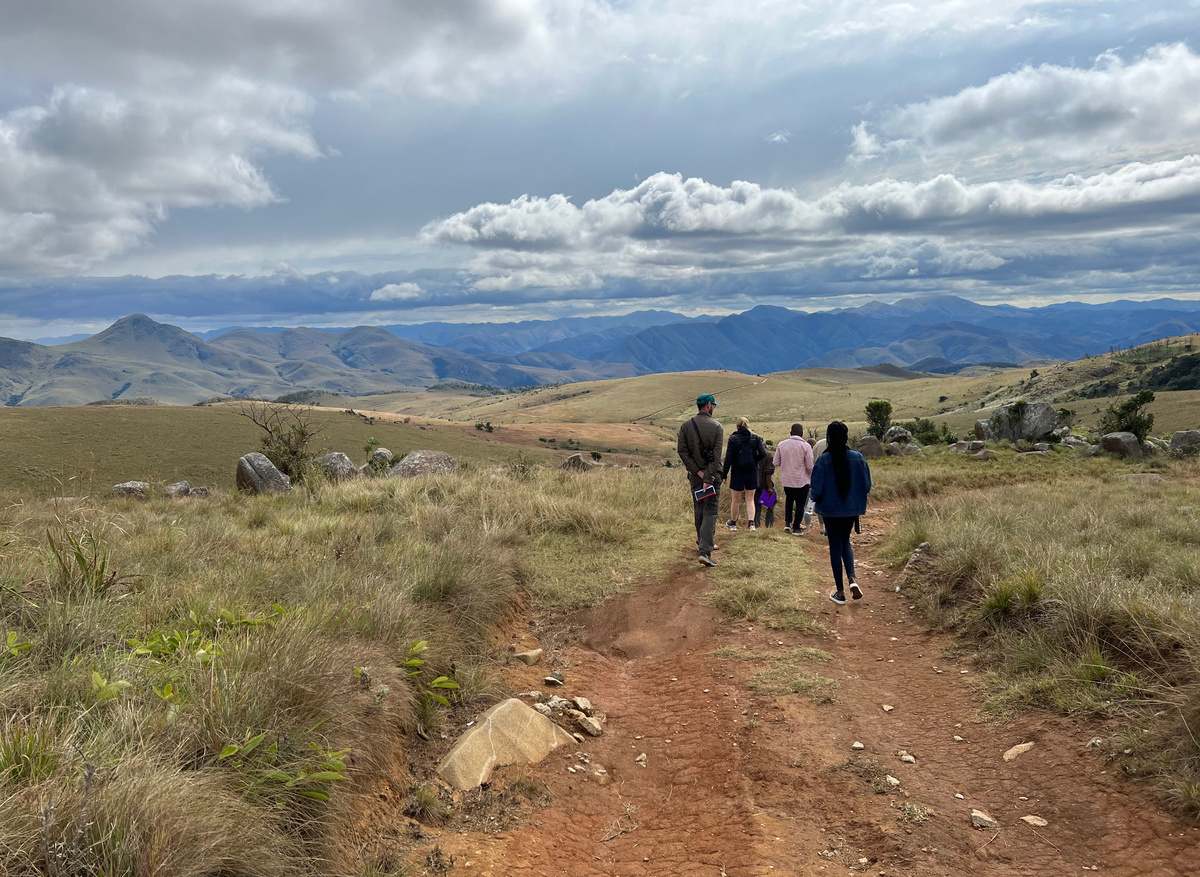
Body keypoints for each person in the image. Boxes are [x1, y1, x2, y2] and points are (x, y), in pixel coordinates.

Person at [810, 421, 872, 605]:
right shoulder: (859, 458)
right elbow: (867, 486)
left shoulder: (823, 460)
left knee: (835, 546)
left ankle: (840, 592)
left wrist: (814, 499)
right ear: (846, 437)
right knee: (846, 541)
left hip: (830, 511)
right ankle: (852, 578)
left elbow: (816, 490)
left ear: (829, 438)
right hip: (852, 509)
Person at [677, 393, 724, 567]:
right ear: (709, 405)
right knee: (710, 512)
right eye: (714, 405)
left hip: (695, 477)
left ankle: (701, 542)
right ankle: (705, 551)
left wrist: (697, 472)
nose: (714, 408)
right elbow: (716, 457)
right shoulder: (717, 427)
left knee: (699, 510)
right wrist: (708, 477)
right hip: (712, 477)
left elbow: (682, 452)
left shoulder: (685, 426)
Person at [722, 416, 766, 532]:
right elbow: (763, 453)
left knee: (736, 499)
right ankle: (751, 524)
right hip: (752, 470)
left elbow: (728, 458)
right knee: (750, 499)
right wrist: (755, 460)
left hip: (737, 471)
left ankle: (733, 523)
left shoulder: (733, 438)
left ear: (737, 426)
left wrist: (724, 474)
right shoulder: (756, 438)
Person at [773, 423, 814, 535]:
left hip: (787, 480)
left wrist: (786, 464)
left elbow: (775, 462)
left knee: (789, 500)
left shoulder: (781, 444)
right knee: (800, 504)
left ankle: (787, 524)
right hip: (801, 480)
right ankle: (796, 527)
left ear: (790, 433)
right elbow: (810, 466)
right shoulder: (806, 446)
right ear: (802, 433)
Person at [753, 443, 777, 530]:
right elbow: (768, 473)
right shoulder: (768, 456)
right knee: (771, 505)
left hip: (754, 485)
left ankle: (756, 526)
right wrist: (769, 487)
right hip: (765, 486)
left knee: (756, 506)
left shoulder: (753, 455)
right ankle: (769, 526)